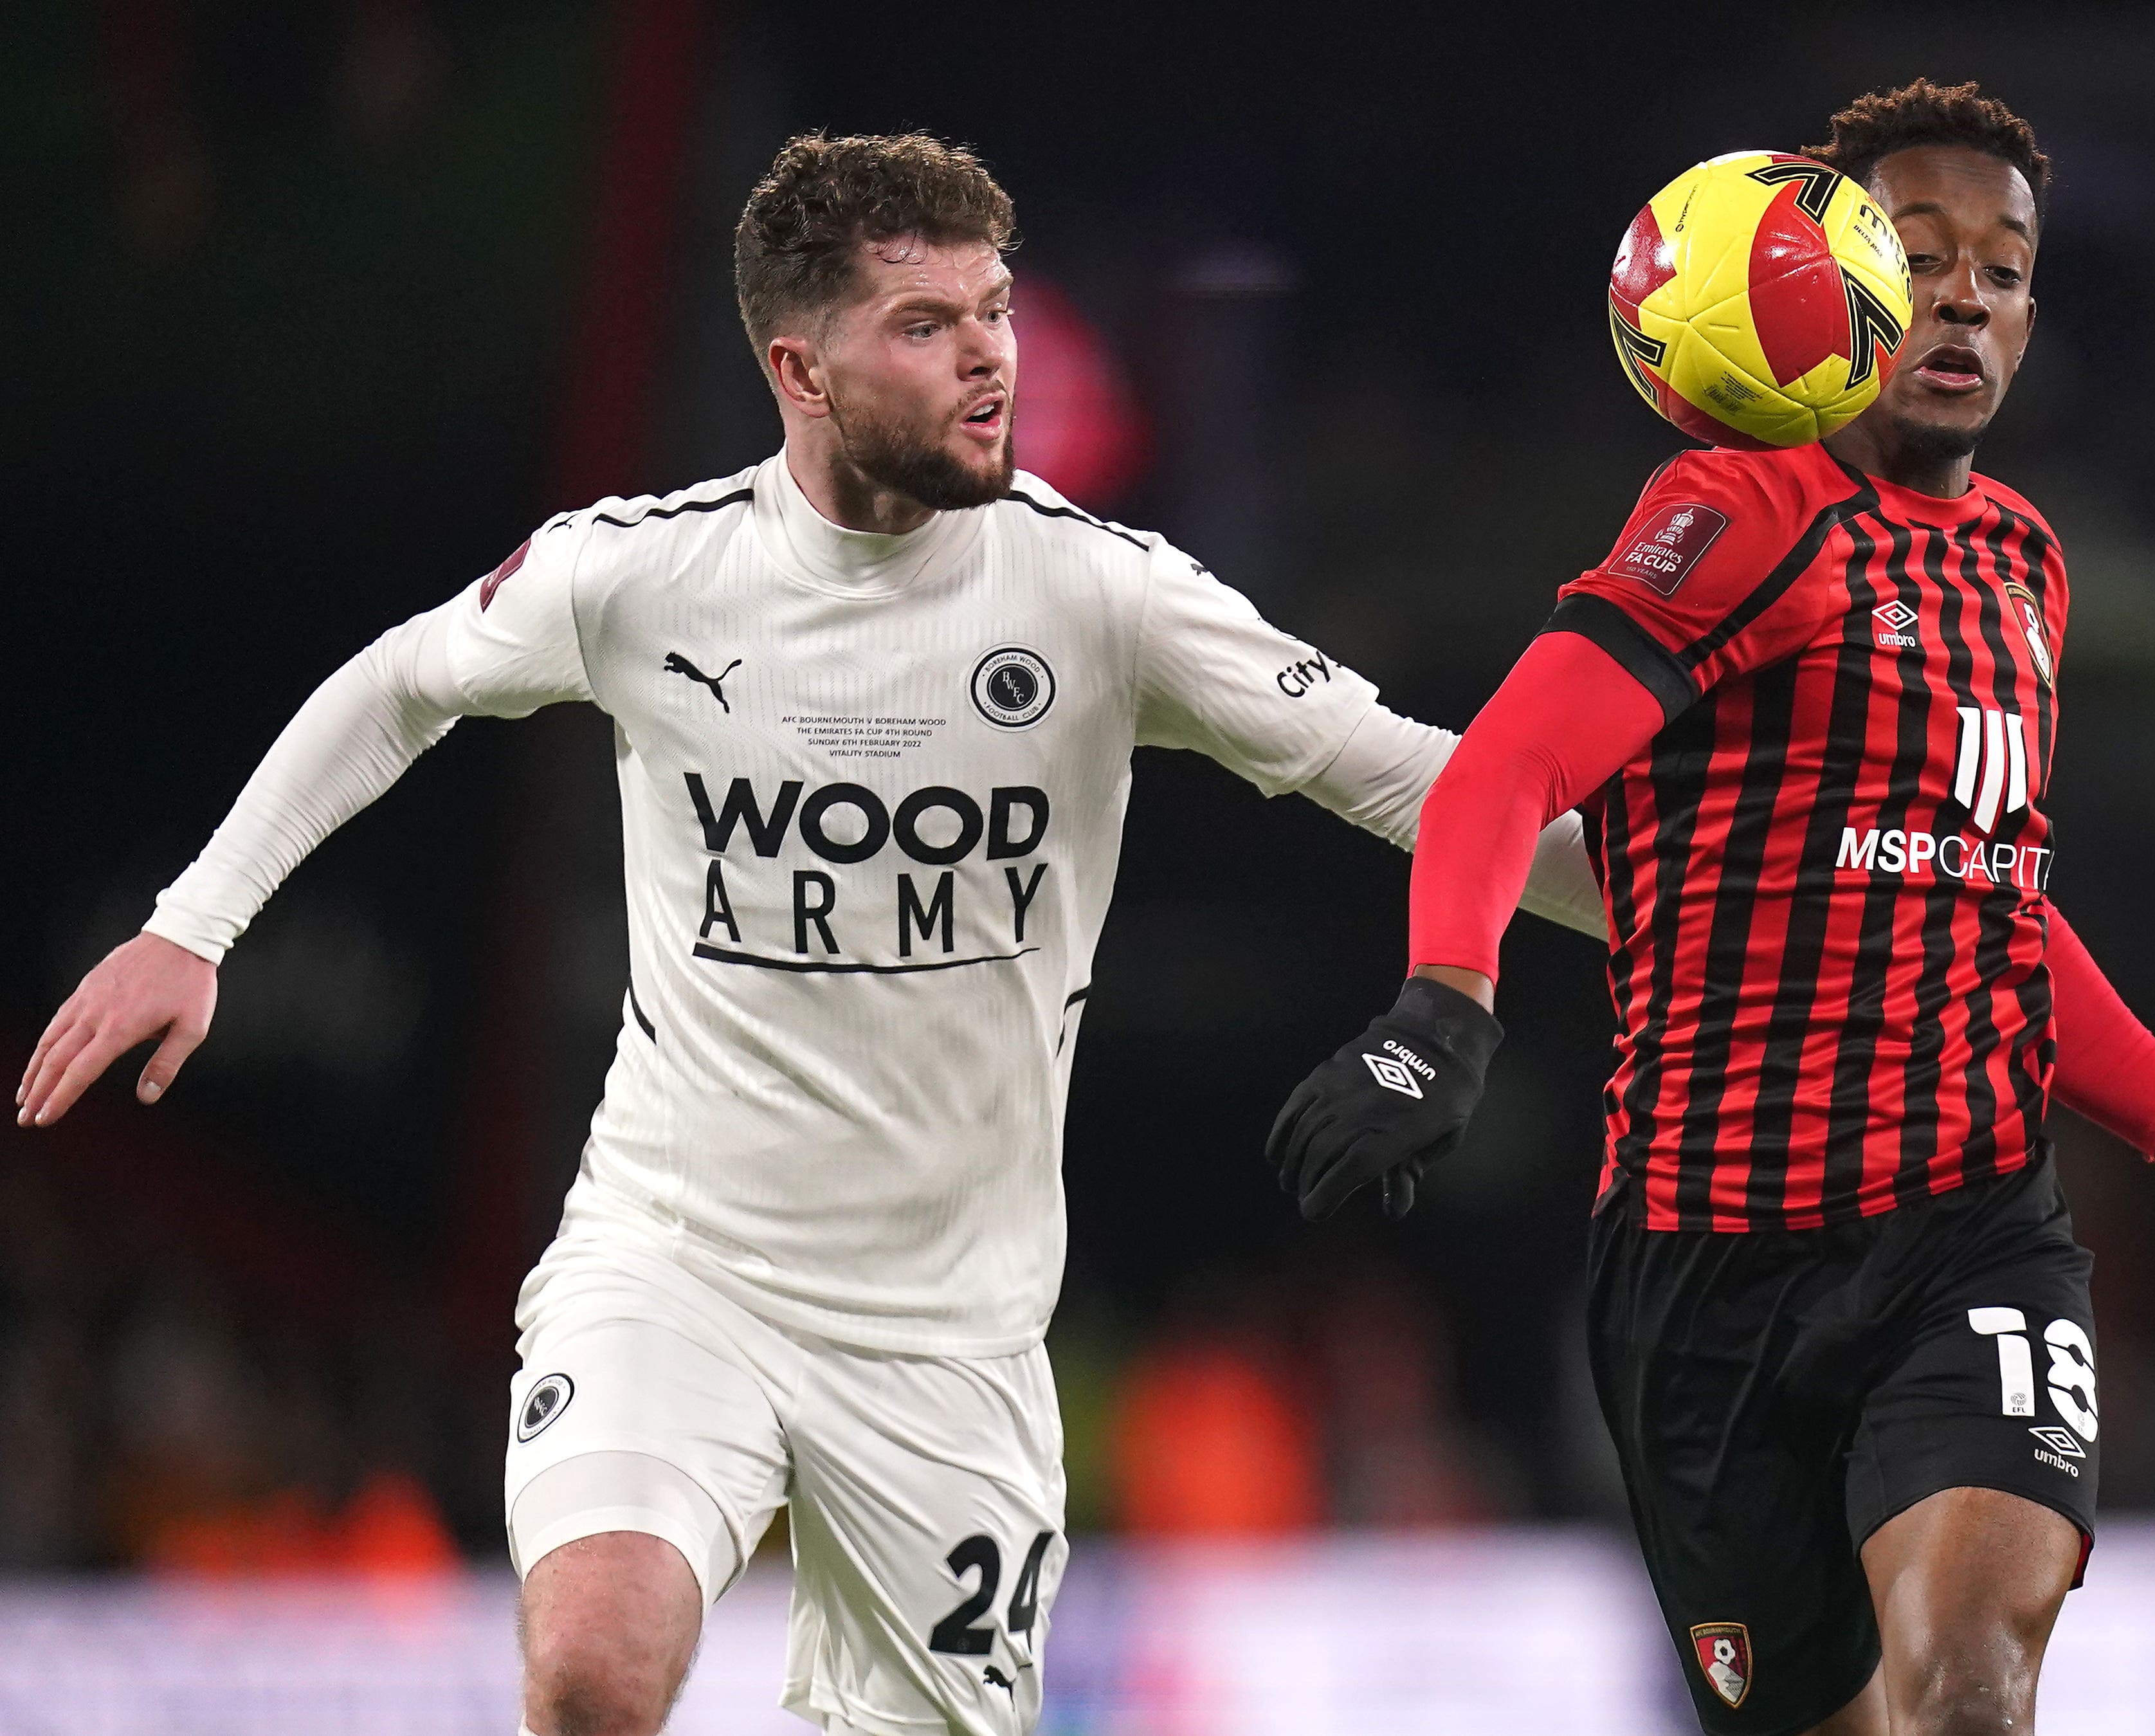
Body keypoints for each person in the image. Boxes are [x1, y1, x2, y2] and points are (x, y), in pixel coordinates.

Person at [15, 132, 1605, 1736]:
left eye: (994, 306)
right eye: (925, 324)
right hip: (677, 1263)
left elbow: (1416, 776)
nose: (989, 352)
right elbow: (401, 685)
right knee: (592, 1669)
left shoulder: (1101, 597)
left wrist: (1707, 906)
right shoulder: (645, 577)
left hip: (951, 1336)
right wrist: (192, 928)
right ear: (802, 368)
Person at [1266, 80, 2155, 1736]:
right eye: (1920, 254)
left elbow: (1989, 900)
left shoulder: (2022, 557)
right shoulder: (1738, 512)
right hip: (1702, 1261)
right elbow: (1502, 772)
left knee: (1965, 1690)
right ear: (1828, 285)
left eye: (2005, 269)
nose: (1965, 297)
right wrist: (1442, 1010)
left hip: (1969, 1232)